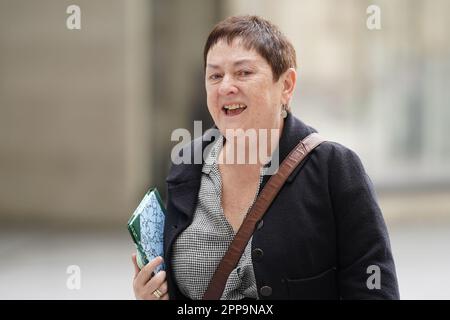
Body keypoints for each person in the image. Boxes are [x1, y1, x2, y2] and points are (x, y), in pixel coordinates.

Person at [132, 15, 400, 300]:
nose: (225, 87)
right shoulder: (186, 164)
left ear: (286, 85)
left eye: (243, 72)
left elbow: (374, 289)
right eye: (215, 75)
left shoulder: (334, 169)